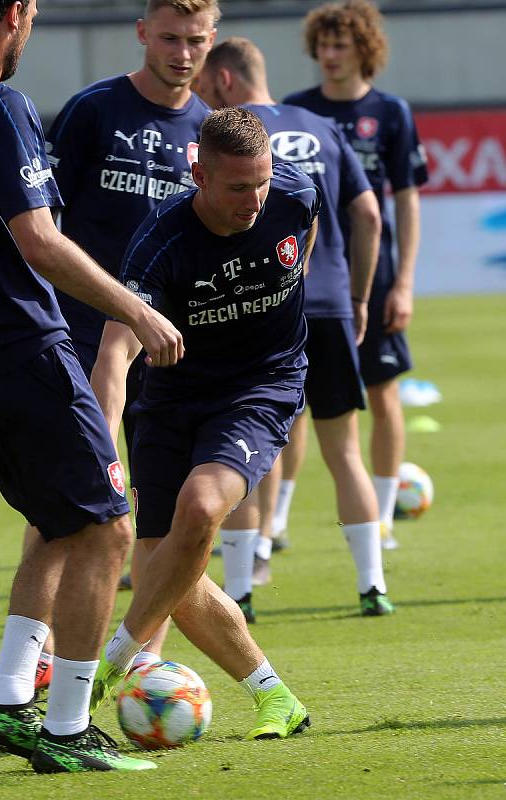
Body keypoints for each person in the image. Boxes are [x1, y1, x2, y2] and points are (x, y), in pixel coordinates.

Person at [0, 0, 184, 774]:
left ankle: (5, 700)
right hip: (18, 349)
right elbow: (37, 238)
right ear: (14, 14)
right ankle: (66, 729)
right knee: (106, 527)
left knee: (56, 518)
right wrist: (136, 310)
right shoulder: (0, 104)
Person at [89, 107, 317, 740]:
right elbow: (115, 351)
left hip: (261, 388)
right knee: (168, 568)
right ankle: (276, 697)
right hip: (167, 403)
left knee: (201, 505)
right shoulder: (159, 243)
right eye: (238, 186)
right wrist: (100, 447)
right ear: (198, 173)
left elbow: (304, 236)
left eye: (262, 181)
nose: (254, 200)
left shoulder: (295, 191)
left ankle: (110, 662)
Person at [29, 0, 219, 687]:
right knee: (73, 499)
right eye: (169, 37)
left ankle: (143, 660)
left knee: (159, 515)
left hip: (167, 349)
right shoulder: (95, 111)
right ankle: (43, 652)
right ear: (143, 33)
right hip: (78, 335)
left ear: (213, 40)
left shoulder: (209, 132)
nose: (182, 52)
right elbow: (44, 224)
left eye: (196, 39)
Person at [195, 37, 393, 617]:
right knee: (345, 452)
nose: (201, 95)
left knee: (246, 451)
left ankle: (240, 592)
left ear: (226, 81)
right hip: (331, 306)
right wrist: (357, 296)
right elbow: (370, 216)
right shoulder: (321, 124)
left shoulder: (229, 135)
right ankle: (373, 586)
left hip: (264, 311)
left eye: (206, 85)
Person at [283, 0, 428, 550]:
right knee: (291, 401)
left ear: (364, 49)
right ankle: (275, 523)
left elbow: (406, 203)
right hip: (305, 280)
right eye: (322, 46)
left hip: (373, 276)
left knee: (383, 393)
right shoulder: (296, 110)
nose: (329, 56)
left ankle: (384, 516)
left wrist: (405, 282)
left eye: (340, 45)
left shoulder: (390, 113)